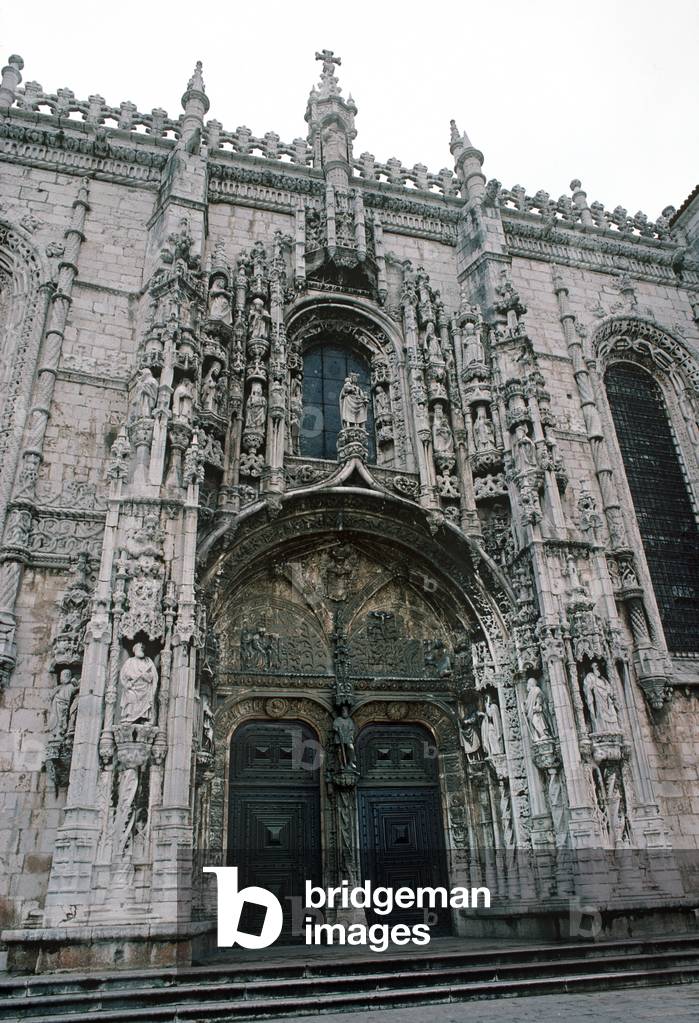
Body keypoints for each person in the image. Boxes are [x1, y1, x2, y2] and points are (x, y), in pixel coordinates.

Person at [119, 642, 158, 725]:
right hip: (132, 688)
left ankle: (144, 718)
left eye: (142, 648)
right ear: (135, 650)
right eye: (139, 648)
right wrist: (126, 684)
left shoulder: (148, 662)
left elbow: (153, 676)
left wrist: (145, 676)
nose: (141, 650)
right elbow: (123, 675)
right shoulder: (129, 661)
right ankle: (129, 718)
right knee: (130, 696)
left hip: (145, 688)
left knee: (147, 697)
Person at [583, 662, 620, 733]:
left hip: (606, 699)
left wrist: (608, 691)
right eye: (595, 666)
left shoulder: (603, 678)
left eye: (598, 666)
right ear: (591, 667)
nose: (597, 667)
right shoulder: (590, 676)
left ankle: (612, 728)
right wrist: (591, 687)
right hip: (598, 699)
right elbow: (587, 687)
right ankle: (602, 728)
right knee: (600, 713)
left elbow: (609, 689)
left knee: (611, 712)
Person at [525, 677, 552, 741]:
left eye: (528, 683)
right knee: (535, 723)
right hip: (532, 712)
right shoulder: (531, 693)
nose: (527, 685)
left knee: (538, 722)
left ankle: (544, 735)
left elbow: (539, 699)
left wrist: (537, 706)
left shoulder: (536, 690)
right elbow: (529, 702)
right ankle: (539, 736)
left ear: (531, 684)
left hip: (537, 712)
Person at [332, 704, 357, 769]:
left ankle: (350, 762)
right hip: (339, 737)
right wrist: (338, 730)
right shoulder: (338, 719)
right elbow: (334, 727)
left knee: (351, 748)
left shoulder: (349, 720)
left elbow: (352, 729)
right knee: (339, 750)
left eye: (345, 711)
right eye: (343, 711)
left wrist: (350, 735)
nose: (344, 712)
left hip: (347, 737)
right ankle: (341, 764)